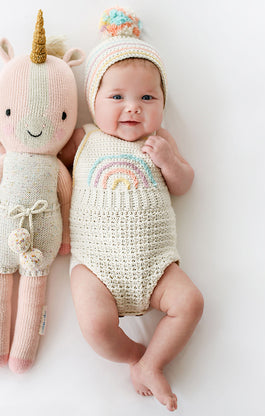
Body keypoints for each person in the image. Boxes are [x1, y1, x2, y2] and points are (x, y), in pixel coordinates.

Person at [60, 8, 204, 412]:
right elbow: (48, 154)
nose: (133, 108)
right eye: (117, 96)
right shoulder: (83, 139)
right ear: (94, 100)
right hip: (96, 265)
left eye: (147, 97)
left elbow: (185, 184)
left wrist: (170, 163)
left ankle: (153, 364)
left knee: (191, 303)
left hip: (157, 265)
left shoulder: (161, 140)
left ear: (162, 101)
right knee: (96, 327)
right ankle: (134, 355)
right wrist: (9, 143)